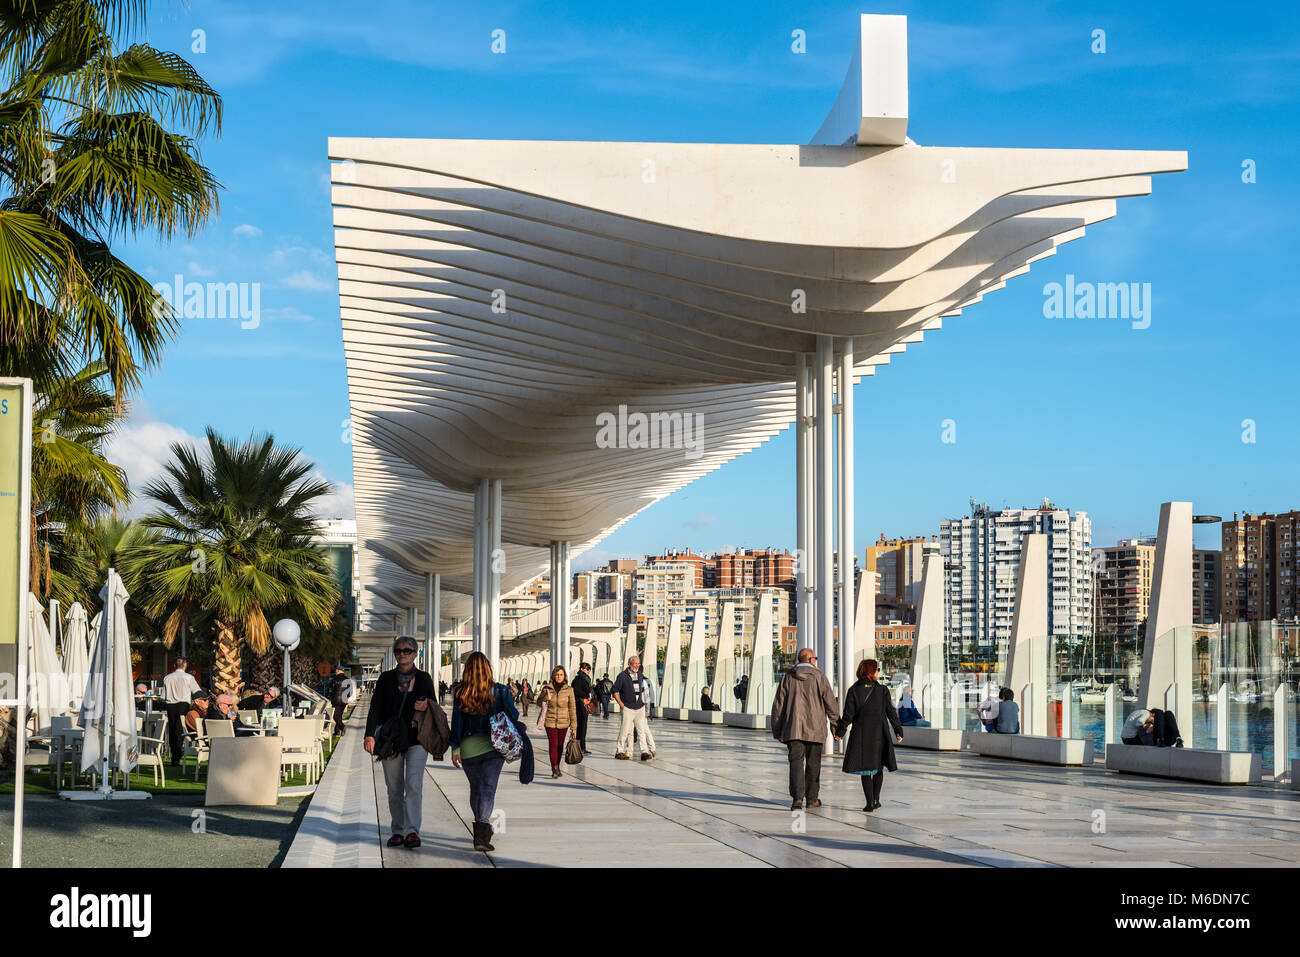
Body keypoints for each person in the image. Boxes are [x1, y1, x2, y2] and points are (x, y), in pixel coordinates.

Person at [364, 637, 437, 849]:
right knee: (394, 788)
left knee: (413, 785)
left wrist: (426, 705)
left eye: (407, 650)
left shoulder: (424, 678)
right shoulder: (386, 678)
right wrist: (369, 734)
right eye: (398, 651)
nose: (402, 654)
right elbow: (375, 707)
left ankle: (412, 831)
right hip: (391, 741)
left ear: (415, 654)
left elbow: (434, 706)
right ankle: (397, 830)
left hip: (416, 739)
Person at [450, 651, 524, 852]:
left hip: (468, 750)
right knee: (487, 788)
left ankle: (480, 828)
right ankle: (481, 832)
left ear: (468, 671)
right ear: (488, 668)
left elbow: (457, 722)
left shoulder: (460, 692)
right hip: (495, 746)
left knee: (476, 788)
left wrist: (455, 747)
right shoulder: (500, 691)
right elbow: (514, 714)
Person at [770, 647, 840, 810]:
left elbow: (778, 706)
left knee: (795, 763)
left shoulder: (788, 678)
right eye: (815, 657)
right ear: (810, 660)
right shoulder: (820, 678)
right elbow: (831, 704)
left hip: (793, 729)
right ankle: (812, 798)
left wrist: (777, 729)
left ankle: (797, 798)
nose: (816, 660)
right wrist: (836, 727)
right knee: (813, 764)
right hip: (815, 729)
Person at [836, 659, 904, 813]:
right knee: (878, 767)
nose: (878, 671)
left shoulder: (854, 690)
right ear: (872, 671)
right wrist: (898, 730)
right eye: (877, 669)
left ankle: (869, 803)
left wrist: (840, 732)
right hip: (879, 734)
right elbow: (891, 713)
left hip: (861, 735)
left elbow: (848, 715)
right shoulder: (882, 691)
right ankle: (876, 799)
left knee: (866, 769)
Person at [612, 655, 656, 760]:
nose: (637, 665)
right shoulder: (622, 676)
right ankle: (620, 751)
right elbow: (614, 691)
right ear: (629, 664)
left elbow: (642, 692)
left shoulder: (640, 675)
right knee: (625, 730)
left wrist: (644, 706)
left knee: (641, 731)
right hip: (628, 707)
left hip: (639, 707)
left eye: (638, 663)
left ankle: (644, 752)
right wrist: (621, 704)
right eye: (635, 663)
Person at [541, 666, 578, 778]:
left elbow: (572, 708)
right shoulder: (547, 688)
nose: (559, 677)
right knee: (553, 744)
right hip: (550, 721)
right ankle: (555, 768)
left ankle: (557, 766)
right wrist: (546, 698)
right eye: (557, 674)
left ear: (564, 676)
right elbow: (538, 702)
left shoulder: (569, 690)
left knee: (560, 745)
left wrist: (574, 724)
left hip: (564, 722)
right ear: (553, 675)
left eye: (561, 674)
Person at [162, 658, 200, 767]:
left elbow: (164, 696)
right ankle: (176, 757)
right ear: (185, 665)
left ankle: (175, 756)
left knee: (173, 730)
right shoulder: (189, 678)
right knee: (180, 731)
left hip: (170, 706)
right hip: (183, 705)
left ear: (174, 665)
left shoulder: (167, 678)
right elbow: (196, 692)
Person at [571, 662, 593, 754]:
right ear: (582, 669)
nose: (589, 671)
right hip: (579, 704)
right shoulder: (578, 679)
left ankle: (581, 746)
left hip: (583, 704)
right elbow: (575, 691)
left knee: (583, 726)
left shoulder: (586, 679)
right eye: (587, 669)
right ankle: (581, 747)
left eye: (589, 669)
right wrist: (586, 695)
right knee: (582, 726)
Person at [330, 667, 356, 735]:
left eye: (336, 670)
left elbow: (331, 690)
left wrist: (331, 697)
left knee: (335, 716)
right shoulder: (348, 679)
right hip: (344, 700)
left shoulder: (335, 679)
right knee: (339, 716)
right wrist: (345, 697)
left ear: (338, 670)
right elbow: (350, 692)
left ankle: (342, 727)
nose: (335, 671)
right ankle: (337, 732)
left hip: (336, 700)